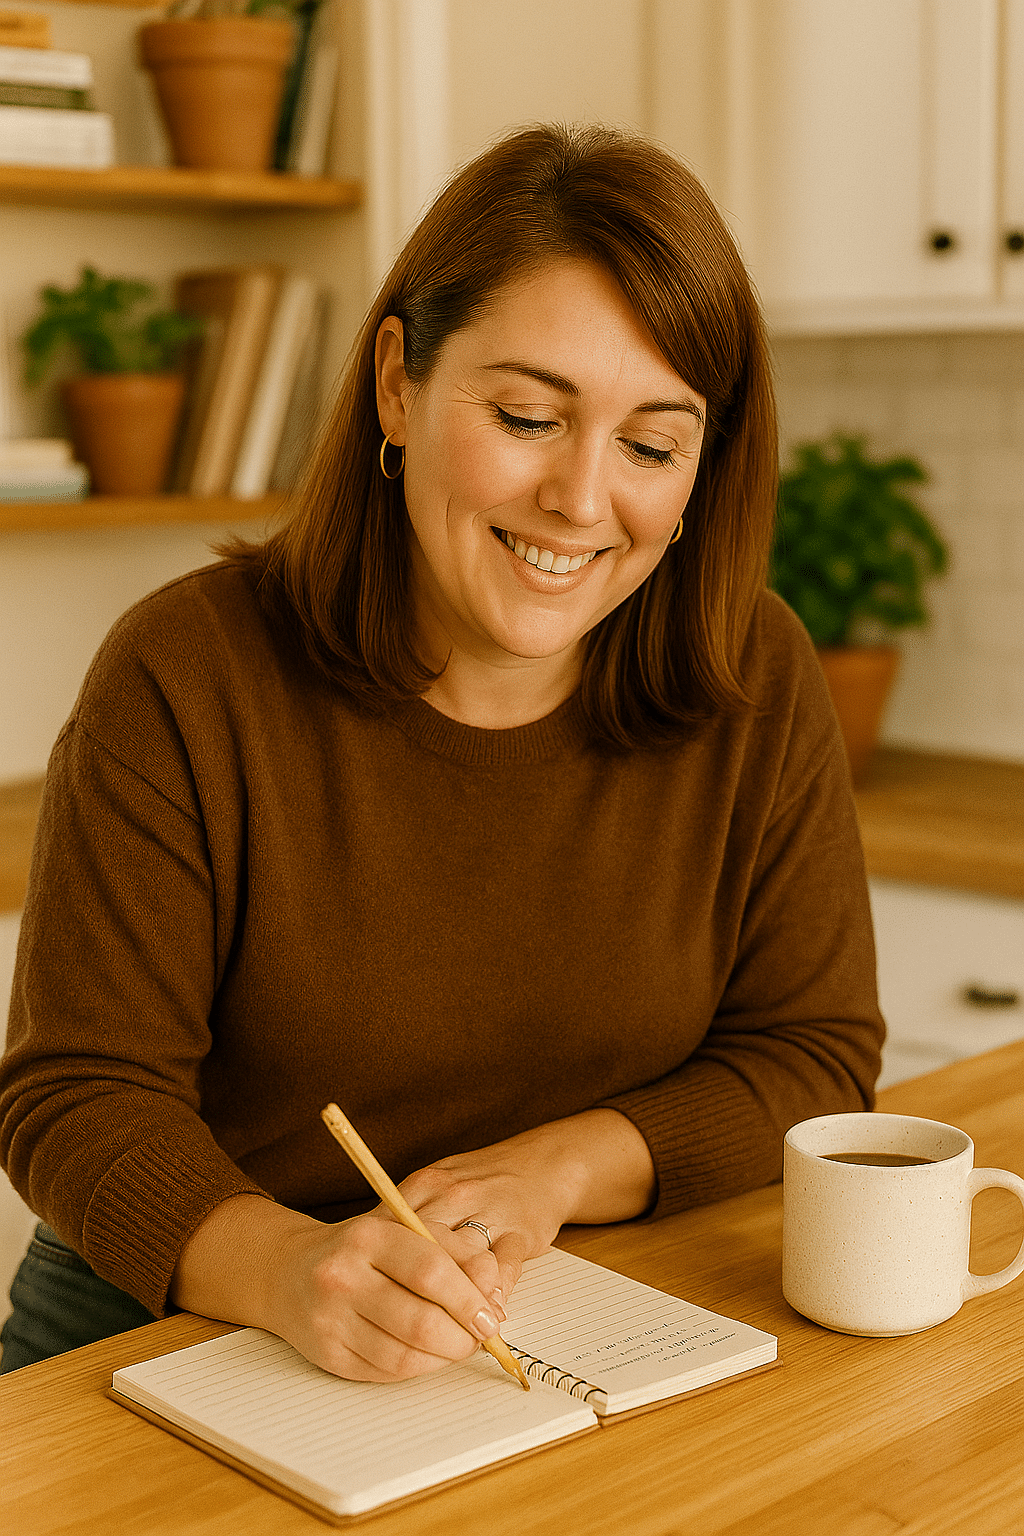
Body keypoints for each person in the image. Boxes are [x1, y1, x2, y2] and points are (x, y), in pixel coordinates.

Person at [0, 123, 884, 1378]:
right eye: (528, 414)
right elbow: (75, 1097)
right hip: (166, 1332)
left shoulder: (756, 674)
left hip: (551, 1313)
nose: (581, 500)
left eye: (649, 443)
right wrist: (291, 1269)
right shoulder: (186, 674)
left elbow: (813, 1055)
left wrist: (553, 1169)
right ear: (397, 384)